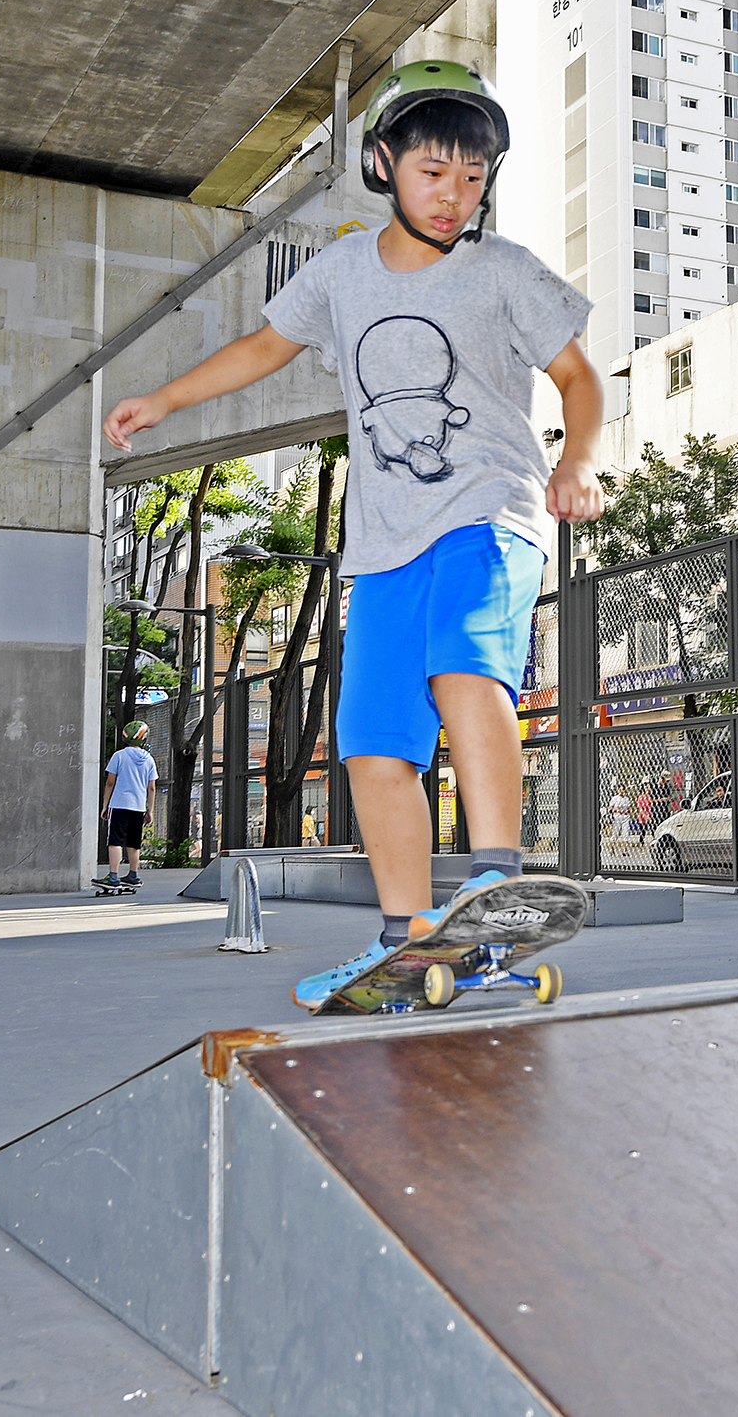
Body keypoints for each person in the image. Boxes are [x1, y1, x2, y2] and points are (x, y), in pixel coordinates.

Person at [102, 61, 604, 1011]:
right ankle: (406, 938)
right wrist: (164, 399)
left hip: (488, 512)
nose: (455, 195)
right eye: (433, 173)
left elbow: (579, 378)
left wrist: (576, 461)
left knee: (467, 667)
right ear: (383, 163)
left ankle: (496, 873)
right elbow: (264, 348)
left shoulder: (503, 272)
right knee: (373, 742)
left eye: (472, 177)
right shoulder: (339, 271)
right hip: (381, 548)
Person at [100, 720, 159, 889]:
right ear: (143, 739)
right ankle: (133, 875)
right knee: (134, 842)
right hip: (138, 807)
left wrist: (105, 805)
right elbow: (152, 787)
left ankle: (113, 876)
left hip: (119, 804)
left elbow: (110, 782)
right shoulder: (149, 760)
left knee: (115, 841)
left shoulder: (119, 756)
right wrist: (150, 810)